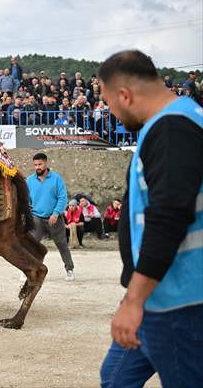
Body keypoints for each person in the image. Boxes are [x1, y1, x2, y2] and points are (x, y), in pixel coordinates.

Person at [98, 50, 203, 387]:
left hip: (179, 299)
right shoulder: (170, 123)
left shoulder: (173, 128)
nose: (110, 113)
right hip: (159, 291)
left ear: (125, 95)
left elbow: (168, 218)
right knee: (115, 379)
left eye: (109, 103)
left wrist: (135, 299)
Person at [27, 152, 75, 281]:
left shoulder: (56, 179)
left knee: (62, 245)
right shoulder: (30, 180)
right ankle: (28, 270)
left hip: (54, 218)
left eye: (40, 164)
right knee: (31, 245)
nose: (37, 167)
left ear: (46, 163)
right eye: (35, 165)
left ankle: (69, 269)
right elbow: (26, 199)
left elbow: (62, 198)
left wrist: (56, 213)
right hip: (36, 218)